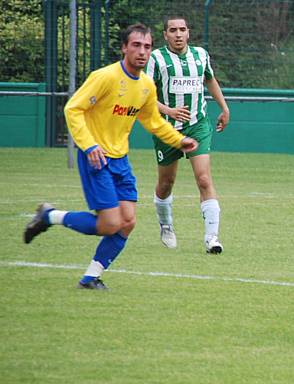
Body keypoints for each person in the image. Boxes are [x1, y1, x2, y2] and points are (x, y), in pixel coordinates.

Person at [23, 23, 198, 290]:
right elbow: (73, 109)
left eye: (147, 46)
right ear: (124, 48)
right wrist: (89, 146)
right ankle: (49, 216)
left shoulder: (146, 86)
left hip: (121, 160)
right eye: (136, 45)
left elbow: (153, 121)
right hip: (97, 158)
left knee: (127, 222)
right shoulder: (104, 77)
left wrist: (179, 139)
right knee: (110, 223)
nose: (142, 51)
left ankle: (90, 278)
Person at [145, 16, 230, 253]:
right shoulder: (156, 58)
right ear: (165, 35)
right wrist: (169, 110)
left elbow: (210, 80)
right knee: (166, 183)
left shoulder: (200, 55)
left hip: (198, 125)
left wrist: (224, 108)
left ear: (188, 33)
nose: (178, 34)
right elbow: (145, 95)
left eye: (182, 29)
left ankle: (212, 238)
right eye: (173, 30)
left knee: (204, 179)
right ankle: (166, 225)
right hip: (167, 129)